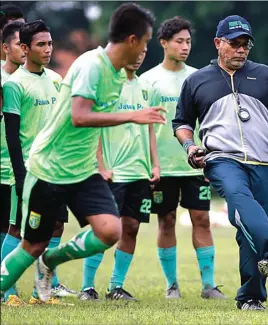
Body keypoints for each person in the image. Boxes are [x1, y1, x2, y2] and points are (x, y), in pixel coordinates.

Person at [0, 3, 162, 303]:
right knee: (32, 245)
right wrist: (133, 116)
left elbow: (96, 123)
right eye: (145, 40)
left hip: (82, 170)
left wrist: (101, 162)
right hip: (49, 168)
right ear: (131, 40)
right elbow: (80, 116)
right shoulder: (92, 65)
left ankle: (51, 262)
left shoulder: (118, 74)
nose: (145, 48)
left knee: (110, 230)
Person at [172, 15, 268, 311]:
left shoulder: (266, 74)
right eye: (234, 44)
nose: (241, 50)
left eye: (246, 45)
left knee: (255, 227)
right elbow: (181, 122)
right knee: (238, 198)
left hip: (267, 162)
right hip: (221, 159)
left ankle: (251, 296)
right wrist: (190, 145)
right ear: (218, 43)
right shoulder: (196, 80)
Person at [140, 16, 225, 300]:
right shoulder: (148, 81)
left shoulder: (200, 77)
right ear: (163, 43)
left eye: (188, 41)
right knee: (166, 221)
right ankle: (171, 286)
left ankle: (209, 286)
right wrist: (149, 164)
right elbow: (144, 128)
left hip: (196, 162)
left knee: (201, 218)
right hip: (162, 165)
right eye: (179, 41)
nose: (185, 46)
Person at [3, 20, 76, 305]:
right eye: (41, 45)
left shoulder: (57, 80)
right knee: (17, 230)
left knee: (55, 226)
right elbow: (11, 136)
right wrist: (20, 176)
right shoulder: (14, 85)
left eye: (50, 44)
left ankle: (41, 291)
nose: (48, 49)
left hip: (55, 169)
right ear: (24, 48)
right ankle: (6, 290)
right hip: (28, 172)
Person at [78, 50, 160, 301]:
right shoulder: (108, 85)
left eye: (145, 52)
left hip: (139, 172)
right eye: (135, 51)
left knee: (132, 228)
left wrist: (155, 164)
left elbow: (150, 129)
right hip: (114, 173)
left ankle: (116, 286)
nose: (139, 56)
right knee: (103, 230)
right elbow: (95, 126)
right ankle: (86, 287)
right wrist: (100, 165)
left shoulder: (146, 87)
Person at [0, 20, 25, 305]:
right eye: (19, 43)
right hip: (3, 166)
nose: (24, 49)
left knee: (12, 228)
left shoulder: (30, 81)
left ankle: (10, 289)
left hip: (16, 168)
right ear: (6, 47)